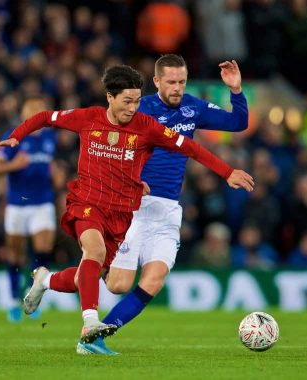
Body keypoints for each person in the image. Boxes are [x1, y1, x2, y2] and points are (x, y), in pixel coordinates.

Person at [0, 65, 255, 348]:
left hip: (126, 210)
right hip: (90, 203)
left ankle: (47, 280)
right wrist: (17, 135)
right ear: (110, 97)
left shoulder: (150, 124)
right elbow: (45, 116)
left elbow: (190, 148)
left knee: (113, 283)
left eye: (136, 101)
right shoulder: (89, 118)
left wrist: (226, 172)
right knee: (94, 251)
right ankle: (90, 325)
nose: (133, 107)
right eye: (127, 101)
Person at [83, 54, 249, 355]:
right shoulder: (139, 108)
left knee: (155, 279)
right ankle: (62, 276)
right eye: (170, 82)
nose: (176, 88)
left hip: (168, 209)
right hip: (133, 207)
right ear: (157, 81)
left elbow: (238, 123)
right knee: (118, 285)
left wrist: (236, 91)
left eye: (182, 82)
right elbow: (108, 143)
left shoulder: (193, 107)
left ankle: (94, 340)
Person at [0, 97, 57, 322]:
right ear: (24, 116)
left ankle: (32, 295)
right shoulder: (13, 137)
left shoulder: (50, 138)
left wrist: (55, 172)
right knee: (15, 254)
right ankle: (11, 301)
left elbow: (50, 164)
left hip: (42, 203)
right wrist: (13, 166)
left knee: (42, 250)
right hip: (17, 204)